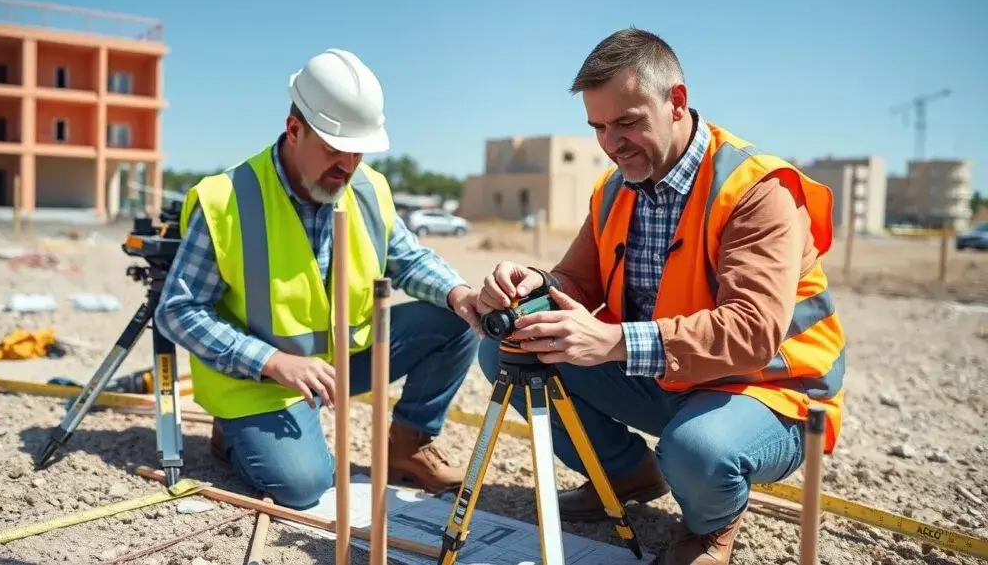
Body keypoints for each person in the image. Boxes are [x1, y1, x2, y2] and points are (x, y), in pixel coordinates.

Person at [475, 28, 846, 565]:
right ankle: (626, 474)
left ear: (676, 102)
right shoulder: (613, 189)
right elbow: (576, 282)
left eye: (627, 122)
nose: (611, 142)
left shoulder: (758, 190)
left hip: (771, 391)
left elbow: (752, 331)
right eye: (598, 127)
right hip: (669, 374)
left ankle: (709, 527)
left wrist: (613, 341)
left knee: (699, 450)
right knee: (510, 349)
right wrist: (534, 288)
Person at [155, 48, 482, 510]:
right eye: (334, 150)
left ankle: (408, 448)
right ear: (294, 130)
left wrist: (460, 293)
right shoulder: (225, 198)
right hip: (262, 379)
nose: (348, 167)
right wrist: (272, 361)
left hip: (343, 363)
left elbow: (406, 259)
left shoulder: (368, 187)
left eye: (357, 152)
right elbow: (178, 311)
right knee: (306, 485)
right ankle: (229, 432)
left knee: (454, 318)